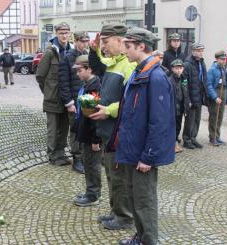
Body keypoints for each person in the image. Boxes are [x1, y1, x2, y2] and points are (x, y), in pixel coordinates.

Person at [108, 27, 175, 245]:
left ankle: (149, 241)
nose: (124, 50)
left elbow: (160, 122)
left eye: (127, 46)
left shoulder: (155, 77)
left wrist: (149, 156)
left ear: (141, 46)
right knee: (134, 197)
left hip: (143, 155)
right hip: (131, 150)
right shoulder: (139, 72)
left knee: (144, 200)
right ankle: (140, 236)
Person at [88, 23, 136, 230]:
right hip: (109, 131)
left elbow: (132, 101)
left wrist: (109, 110)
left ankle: (124, 217)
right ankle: (116, 210)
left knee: (119, 176)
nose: (103, 47)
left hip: (119, 132)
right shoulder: (114, 62)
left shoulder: (128, 65)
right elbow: (100, 62)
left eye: (106, 42)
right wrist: (94, 49)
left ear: (120, 41)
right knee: (111, 174)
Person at [36, 22, 74, 166]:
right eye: (61, 33)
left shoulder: (71, 51)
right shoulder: (50, 52)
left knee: (64, 129)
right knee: (53, 129)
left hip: (67, 98)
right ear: (56, 34)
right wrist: (48, 92)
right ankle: (53, 156)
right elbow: (40, 76)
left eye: (66, 33)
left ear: (70, 33)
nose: (64, 36)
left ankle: (61, 154)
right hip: (52, 98)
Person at [71, 55, 103, 206]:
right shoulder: (87, 85)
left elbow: (95, 115)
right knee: (88, 163)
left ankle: (93, 195)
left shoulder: (94, 87)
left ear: (89, 69)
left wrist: (96, 140)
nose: (77, 74)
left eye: (80, 70)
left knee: (92, 165)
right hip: (85, 133)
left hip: (92, 137)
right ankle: (91, 191)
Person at [58, 31, 90, 174]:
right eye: (82, 41)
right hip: (74, 100)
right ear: (76, 41)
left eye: (87, 41)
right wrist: (69, 102)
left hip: (88, 98)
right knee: (76, 130)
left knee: (88, 128)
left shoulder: (89, 56)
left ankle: (87, 157)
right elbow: (63, 82)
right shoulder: (68, 57)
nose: (85, 44)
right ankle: (77, 159)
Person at [182, 43, 207, 149]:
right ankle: (186, 140)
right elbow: (184, 83)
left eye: (202, 50)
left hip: (199, 96)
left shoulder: (202, 62)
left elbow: (204, 79)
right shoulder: (187, 64)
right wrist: (187, 99)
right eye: (198, 51)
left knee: (197, 119)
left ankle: (193, 138)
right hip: (191, 97)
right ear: (193, 51)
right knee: (190, 120)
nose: (201, 52)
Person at [206, 50, 227, 146]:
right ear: (216, 59)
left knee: (220, 116)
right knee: (214, 116)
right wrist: (215, 97)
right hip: (216, 92)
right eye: (222, 59)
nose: (224, 61)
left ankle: (217, 136)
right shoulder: (212, 70)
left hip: (223, 92)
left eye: (225, 59)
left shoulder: (226, 69)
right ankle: (212, 137)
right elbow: (208, 85)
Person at [168, 59, 191, 153]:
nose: (179, 70)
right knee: (172, 127)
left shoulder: (183, 79)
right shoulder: (170, 80)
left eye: (180, 68)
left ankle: (175, 142)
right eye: (176, 68)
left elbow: (186, 92)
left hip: (181, 107)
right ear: (172, 69)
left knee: (178, 126)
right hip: (173, 107)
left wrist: (187, 102)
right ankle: (172, 144)